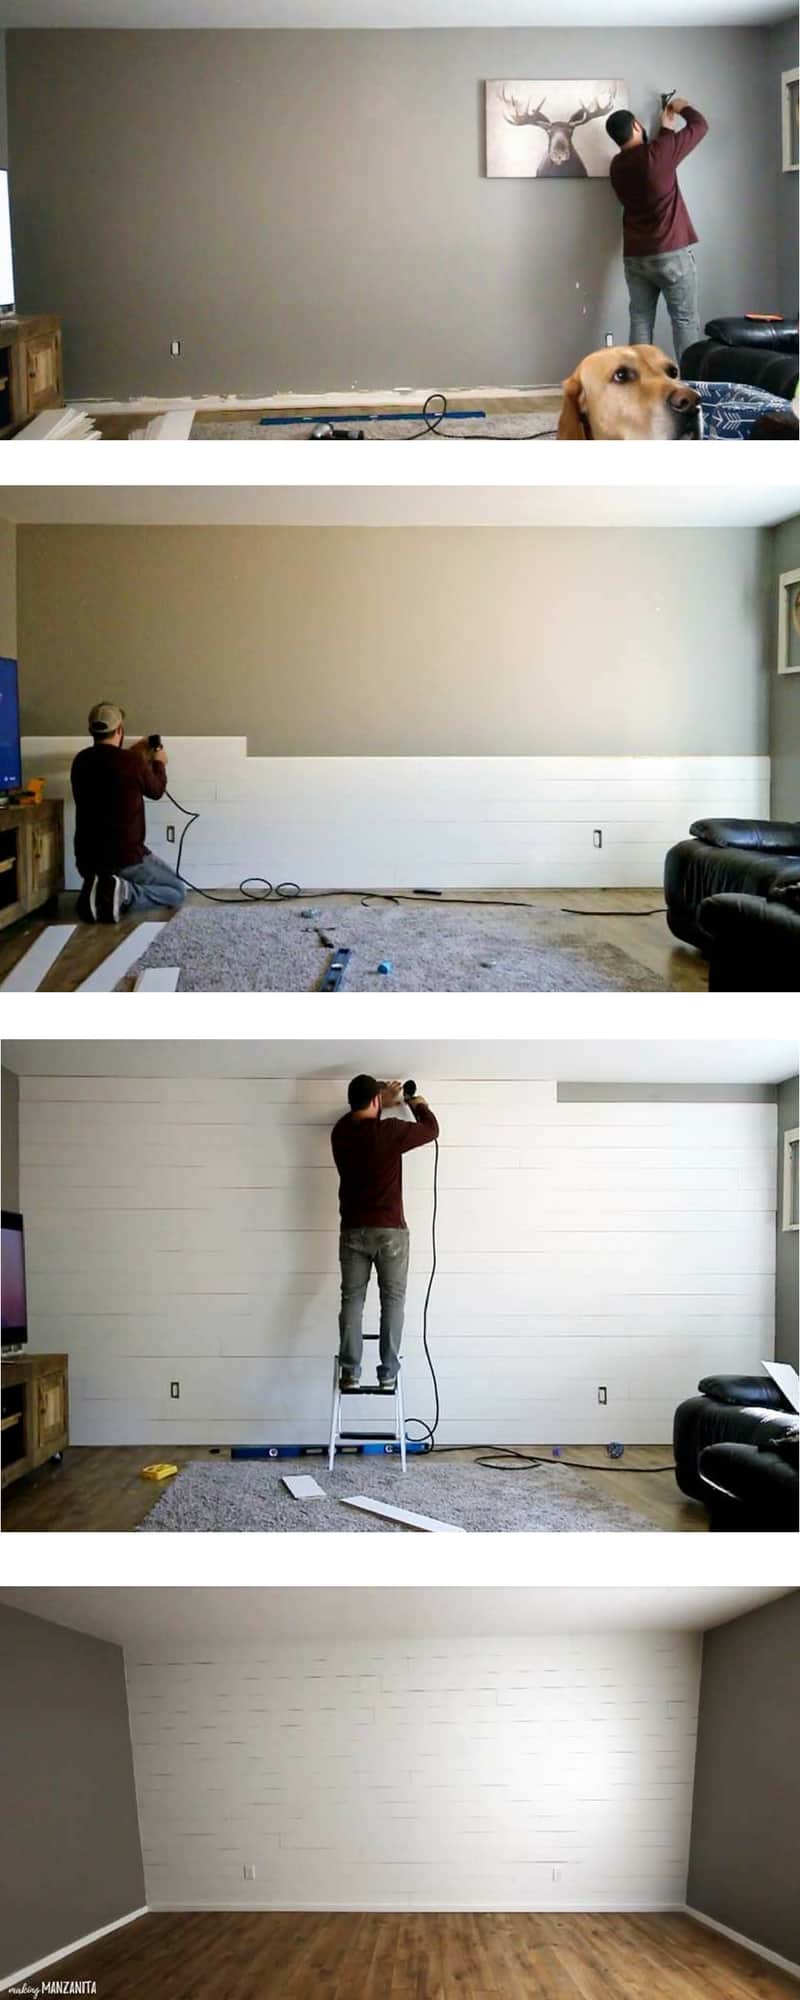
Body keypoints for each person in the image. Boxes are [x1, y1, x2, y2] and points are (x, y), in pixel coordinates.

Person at [330, 1076, 439, 1391]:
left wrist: (381, 1101)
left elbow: (358, 1116)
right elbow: (431, 1130)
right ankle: (388, 1372)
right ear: (377, 1102)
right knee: (392, 1301)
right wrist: (416, 1103)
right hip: (390, 1231)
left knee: (352, 1299)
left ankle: (350, 1372)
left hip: (352, 1230)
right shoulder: (389, 1131)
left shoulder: (340, 1132)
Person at [606, 96, 709, 361]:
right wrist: (681, 106)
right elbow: (700, 126)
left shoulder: (616, 167)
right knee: (684, 321)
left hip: (636, 257)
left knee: (640, 320)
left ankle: (639, 385)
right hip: (671, 252)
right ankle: (690, 387)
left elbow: (654, 156)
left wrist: (665, 131)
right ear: (638, 127)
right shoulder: (659, 153)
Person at [70, 702, 186, 923]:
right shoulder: (132, 762)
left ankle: (102, 889)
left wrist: (135, 758)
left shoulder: (80, 761)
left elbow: (107, 769)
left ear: (91, 730)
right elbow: (156, 791)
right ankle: (124, 893)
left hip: (87, 861)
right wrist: (159, 763)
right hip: (125, 859)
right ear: (120, 731)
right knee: (177, 892)